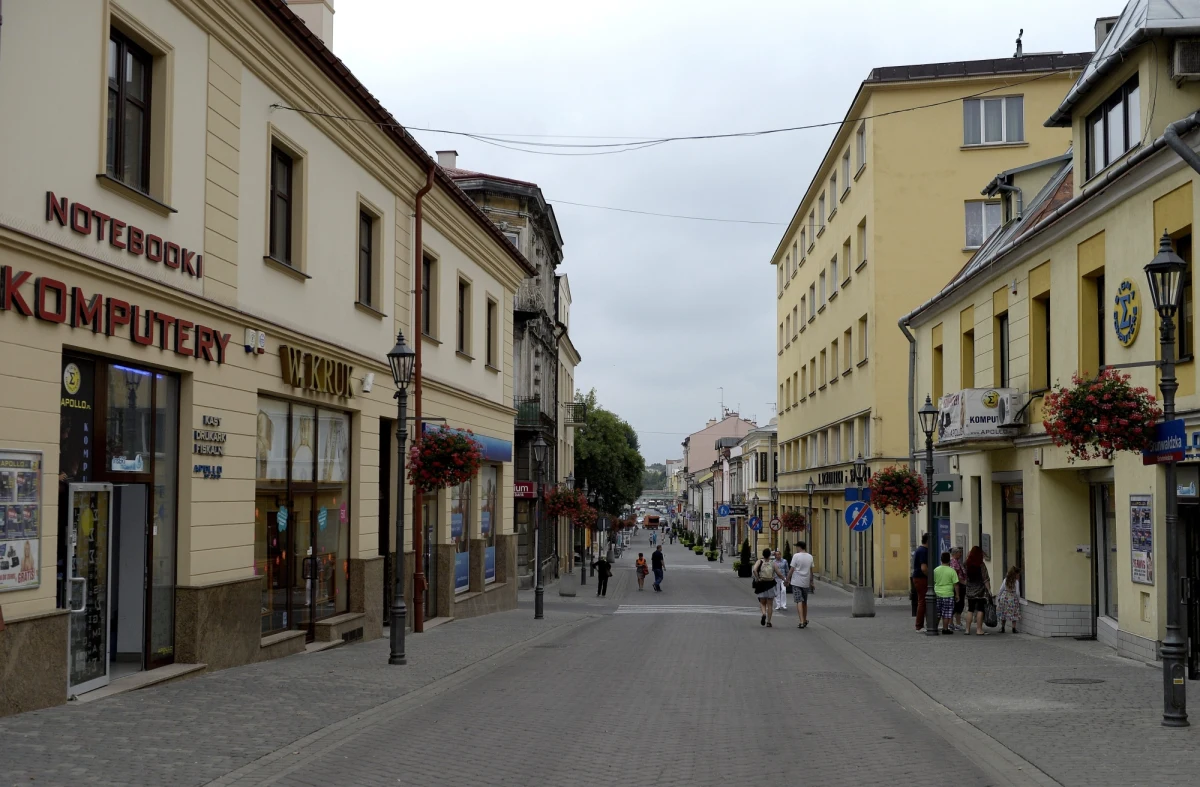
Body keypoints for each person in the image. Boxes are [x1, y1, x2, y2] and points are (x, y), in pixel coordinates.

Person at [964, 545, 991, 635]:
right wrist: (989, 590)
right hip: (980, 591)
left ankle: (967, 630)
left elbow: (964, 576)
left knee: (970, 609)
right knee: (980, 609)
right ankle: (979, 630)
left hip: (970, 590)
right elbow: (985, 579)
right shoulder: (981, 565)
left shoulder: (966, 564)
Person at [786, 540, 814, 628]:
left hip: (796, 582)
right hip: (805, 582)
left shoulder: (796, 556)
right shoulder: (810, 557)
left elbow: (791, 569)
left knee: (799, 601)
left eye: (797, 547)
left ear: (799, 547)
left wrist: (787, 579)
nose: (796, 548)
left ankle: (801, 621)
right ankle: (805, 619)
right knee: (804, 602)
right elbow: (811, 571)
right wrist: (811, 582)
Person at [753, 548, 783, 627]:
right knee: (770, 604)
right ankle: (769, 622)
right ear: (770, 555)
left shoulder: (759, 561)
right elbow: (778, 573)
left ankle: (763, 614)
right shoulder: (773, 563)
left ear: (763, 554)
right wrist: (784, 579)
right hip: (771, 584)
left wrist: (758, 578)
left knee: (762, 603)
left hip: (762, 584)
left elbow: (754, 570)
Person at [933, 551, 957, 635]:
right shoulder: (952, 571)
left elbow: (934, 581)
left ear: (941, 560)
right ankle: (945, 628)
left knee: (937, 612)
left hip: (937, 593)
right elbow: (956, 584)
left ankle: (934, 627)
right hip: (948, 594)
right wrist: (957, 594)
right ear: (949, 560)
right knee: (946, 613)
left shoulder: (936, 570)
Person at [911, 533, 930, 632]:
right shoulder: (923, 551)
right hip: (921, 578)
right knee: (923, 601)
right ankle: (919, 626)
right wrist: (931, 577)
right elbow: (924, 568)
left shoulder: (920, 550)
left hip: (919, 577)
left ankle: (927, 624)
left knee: (924, 601)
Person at [996, 565, 1021, 634]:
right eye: (1018, 574)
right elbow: (1017, 592)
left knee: (1003, 613)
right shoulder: (1016, 582)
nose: (1019, 576)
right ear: (1015, 574)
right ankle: (1014, 628)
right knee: (1014, 613)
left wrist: (999, 598)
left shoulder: (1005, 580)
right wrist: (1018, 600)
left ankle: (1002, 628)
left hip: (1004, 597)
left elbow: (1001, 589)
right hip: (1013, 598)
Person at [949, 546, 967, 632]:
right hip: (958, 586)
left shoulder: (957, 562)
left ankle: (953, 623)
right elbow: (955, 576)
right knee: (957, 605)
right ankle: (956, 623)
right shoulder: (954, 563)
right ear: (955, 553)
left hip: (960, 585)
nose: (961, 554)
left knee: (958, 605)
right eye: (959, 552)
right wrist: (964, 582)